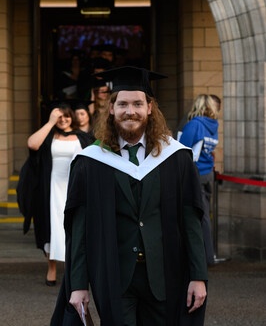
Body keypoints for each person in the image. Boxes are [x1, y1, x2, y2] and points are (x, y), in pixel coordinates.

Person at [51, 67, 208, 326]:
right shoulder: (91, 161)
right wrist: (77, 285)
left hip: (165, 275)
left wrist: (198, 276)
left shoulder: (176, 158)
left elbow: (192, 220)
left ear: (149, 108)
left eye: (137, 103)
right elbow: (79, 229)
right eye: (122, 104)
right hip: (114, 277)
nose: (130, 111)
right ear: (111, 109)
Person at [27, 103, 93, 286]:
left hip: (76, 188)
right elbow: (32, 144)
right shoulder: (49, 136)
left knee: (76, 226)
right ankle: (52, 268)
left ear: (72, 117)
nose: (63, 120)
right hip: (52, 188)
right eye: (59, 117)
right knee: (52, 227)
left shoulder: (83, 137)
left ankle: (75, 269)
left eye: (66, 116)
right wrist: (50, 122)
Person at [179, 94, 219, 266]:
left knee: (197, 217)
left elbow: (182, 149)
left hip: (195, 174)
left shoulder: (195, 124)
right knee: (204, 216)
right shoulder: (213, 125)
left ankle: (202, 258)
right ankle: (208, 255)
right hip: (207, 173)